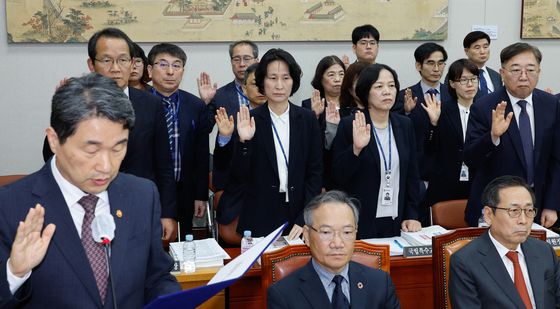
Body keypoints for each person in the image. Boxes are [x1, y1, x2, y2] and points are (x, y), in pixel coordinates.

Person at [0, 73, 180, 308]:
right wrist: (14, 273)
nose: (106, 167)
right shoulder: (9, 206)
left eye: (118, 147)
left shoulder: (142, 195)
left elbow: (157, 277)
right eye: (91, 150)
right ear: (54, 140)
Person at [42, 28, 177, 241]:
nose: (115, 68)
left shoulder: (152, 105)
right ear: (91, 65)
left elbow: (164, 164)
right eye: (106, 60)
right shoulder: (77, 102)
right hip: (87, 204)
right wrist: (62, 113)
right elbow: (53, 157)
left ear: (133, 64)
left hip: (138, 204)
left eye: (123, 60)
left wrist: (168, 213)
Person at [214, 48, 322, 238]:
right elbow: (236, 177)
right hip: (260, 212)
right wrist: (244, 141)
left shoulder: (307, 119)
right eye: (272, 78)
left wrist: (305, 217)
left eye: (286, 78)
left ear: (293, 81)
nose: (279, 85)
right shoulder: (249, 119)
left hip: (299, 211)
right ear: (262, 82)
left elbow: (315, 174)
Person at [464, 42, 560, 228]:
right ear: (502, 73)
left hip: (537, 206)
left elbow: (556, 159)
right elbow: (470, 158)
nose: (523, 76)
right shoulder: (484, 107)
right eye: (515, 70)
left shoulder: (551, 105)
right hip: (496, 209)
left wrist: (552, 204)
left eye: (530, 70)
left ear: (539, 71)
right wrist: (492, 137)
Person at [331, 63, 421, 239]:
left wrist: (412, 215)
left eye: (392, 85)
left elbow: (412, 174)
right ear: (365, 91)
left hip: (397, 219)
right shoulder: (350, 124)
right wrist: (356, 149)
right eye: (379, 86)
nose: (387, 91)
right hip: (360, 220)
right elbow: (337, 177)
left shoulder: (404, 124)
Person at [267, 190, 400, 308]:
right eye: (326, 232)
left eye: (347, 232)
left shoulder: (381, 283)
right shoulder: (283, 295)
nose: (337, 243)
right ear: (306, 235)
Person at [449, 175, 560, 308]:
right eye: (514, 211)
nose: (523, 220)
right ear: (489, 215)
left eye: (529, 210)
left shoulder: (544, 251)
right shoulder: (465, 262)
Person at [147, 43, 209, 235]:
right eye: (163, 65)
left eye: (177, 65)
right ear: (149, 70)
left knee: (182, 244)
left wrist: (200, 195)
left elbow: (201, 153)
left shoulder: (195, 105)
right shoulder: (136, 103)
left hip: (184, 190)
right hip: (147, 189)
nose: (170, 71)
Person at [421, 59, 479, 225]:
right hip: (445, 183)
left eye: (473, 79)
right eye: (463, 80)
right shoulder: (442, 109)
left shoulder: (485, 110)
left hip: (476, 183)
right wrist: (433, 124)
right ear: (453, 84)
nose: (470, 84)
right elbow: (429, 148)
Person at [301, 55, 346, 189]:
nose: (337, 79)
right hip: (322, 175)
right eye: (331, 75)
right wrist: (314, 116)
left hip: (348, 173)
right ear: (321, 78)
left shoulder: (353, 104)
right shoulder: (308, 105)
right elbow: (305, 145)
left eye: (341, 74)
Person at [204, 40, 259, 125]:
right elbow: (204, 129)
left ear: (256, 61)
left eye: (246, 59)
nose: (242, 64)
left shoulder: (267, 92)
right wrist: (205, 102)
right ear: (231, 62)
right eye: (237, 59)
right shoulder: (219, 95)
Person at [462, 31, 502, 100]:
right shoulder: (457, 74)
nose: (482, 52)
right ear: (466, 51)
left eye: (485, 47)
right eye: (477, 48)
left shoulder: (496, 76)